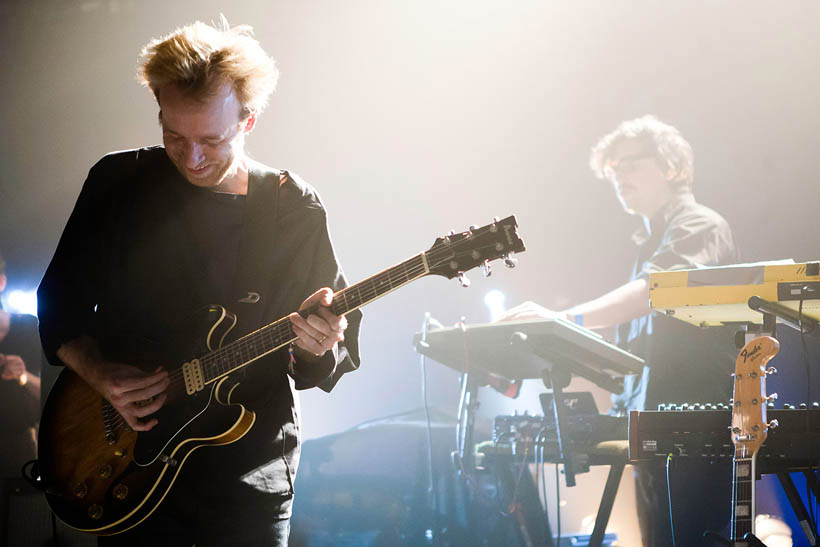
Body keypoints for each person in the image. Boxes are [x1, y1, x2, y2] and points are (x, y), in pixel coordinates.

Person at [37, 19, 361, 546]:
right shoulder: (117, 184)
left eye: (211, 140)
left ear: (249, 121)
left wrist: (318, 346)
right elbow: (59, 304)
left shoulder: (291, 209)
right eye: (173, 136)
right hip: (127, 459)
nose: (191, 159)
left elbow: (319, 361)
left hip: (247, 472)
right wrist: (100, 375)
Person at [502, 115, 740, 546]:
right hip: (653, 424)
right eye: (614, 171)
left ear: (671, 166)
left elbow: (657, 291)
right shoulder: (651, 243)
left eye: (630, 164)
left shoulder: (701, 225)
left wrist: (564, 320)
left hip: (696, 427)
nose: (619, 177)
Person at [0, 250, 42, 480]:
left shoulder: (28, 328)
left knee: (27, 512)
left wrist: (22, 375)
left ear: (1, 282)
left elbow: (50, 393)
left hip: (21, 447)